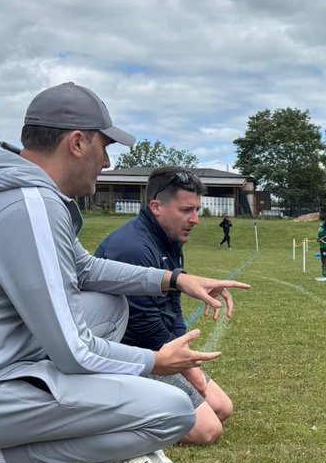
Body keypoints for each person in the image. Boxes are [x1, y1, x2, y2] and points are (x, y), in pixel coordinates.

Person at [0, 82, 248, 463]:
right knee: (172, 412)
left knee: (108, 304)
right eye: (104, 145)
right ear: (77, 142)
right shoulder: (29, 203)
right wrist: (155, 362)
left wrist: (175, 279)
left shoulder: (11, 189)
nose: (108, 161)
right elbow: (73, 350)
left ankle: (41, 454)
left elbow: (85, 268)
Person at [95, 168, 235, 446]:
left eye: (196, 209)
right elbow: (143, 323)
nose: (195, 219)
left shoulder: (168, 239)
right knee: (207, 429)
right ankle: (101, 420)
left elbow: (172, 305)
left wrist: (183, 353)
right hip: (123, 358)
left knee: (222, 408)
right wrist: (189, 371)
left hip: (151, 350)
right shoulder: (132, 247)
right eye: (186, 210)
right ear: (156, 207)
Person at [315, 207, 326, 281]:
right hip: (322, 245)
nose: (319, 215)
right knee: (322, 259)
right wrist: (319, 238)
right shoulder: (322, 222)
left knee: (325, 259)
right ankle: (323, 275)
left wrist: (323, 238)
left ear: (325, 214)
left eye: (321, 213)